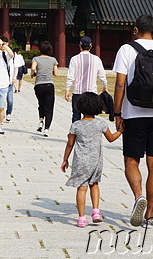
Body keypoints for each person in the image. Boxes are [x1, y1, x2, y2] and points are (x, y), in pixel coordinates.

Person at [112, 14, 153, 228]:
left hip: (134, 113)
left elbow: (120, 85)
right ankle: (150, 215)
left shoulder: (126, 49)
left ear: (135, 30)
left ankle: (138, 196)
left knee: (131, 161)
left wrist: (117, 113)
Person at [60, 92, 123, 227]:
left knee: (81, 189)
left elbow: (70, 144)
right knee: (94, 184)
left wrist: (65, 159)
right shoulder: (101, 123)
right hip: (96, 161)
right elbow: (111, 138)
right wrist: (121, 131)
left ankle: (82, 218)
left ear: (80, 107)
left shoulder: (76, 125)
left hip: (80, 161)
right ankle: (95, 212)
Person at [66, 36, 109, 122]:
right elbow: (102, 76)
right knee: (90, 115)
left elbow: (71, 76)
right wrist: (105, 86)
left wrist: (67, 89)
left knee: (76, 115)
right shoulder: (96, 59)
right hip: (91, 92)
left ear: (80, 45)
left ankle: (75, 134)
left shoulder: (74, 59)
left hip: (77, 91)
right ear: (91, 46)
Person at [30, 41, 58, 137]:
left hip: (39, 85)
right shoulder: (53, 60)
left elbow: (33, 68)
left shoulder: (36, 59)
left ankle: (41, 120)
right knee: (49, 108)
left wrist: (32, 74)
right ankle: (46, 129)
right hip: (49, 85)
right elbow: (56, 73)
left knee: (41, 104)